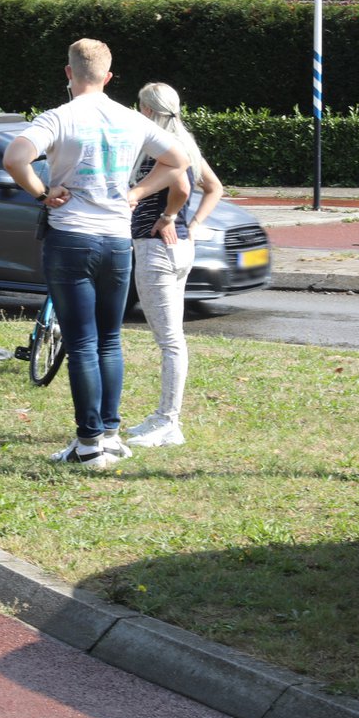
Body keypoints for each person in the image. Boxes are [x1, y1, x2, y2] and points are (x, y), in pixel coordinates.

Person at [2, 39, 189, 470]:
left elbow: (15, 157)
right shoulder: (129, 118)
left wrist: (43, 192)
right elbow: (177, 159)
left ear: (68, 74)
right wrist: (137, 193)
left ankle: (88, 445)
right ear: (108, 77)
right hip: (117, 241)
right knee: (110, 340)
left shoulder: (59, 117)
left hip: (71, 238)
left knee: (82, 342)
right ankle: (110, 434)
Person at [125, 82, 224, 448]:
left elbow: (181, 187)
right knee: (172, 339)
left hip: (158, 250)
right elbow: (215, 187)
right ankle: (162, 416)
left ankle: (169, 422)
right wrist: (192, 226)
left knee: (170, 341)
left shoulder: (160, 145)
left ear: (148, 110)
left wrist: (168, 216)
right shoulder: (186, 143)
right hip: (180, 249)